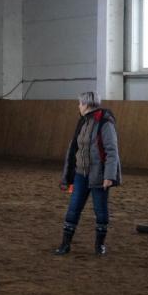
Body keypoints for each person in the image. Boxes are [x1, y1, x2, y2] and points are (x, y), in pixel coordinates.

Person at [54, 91, 121, 256]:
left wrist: (109, 176)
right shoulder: (82, 123)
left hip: (98, 174)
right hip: (80, 173)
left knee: (100, 211)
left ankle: (99, 245)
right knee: (73, 208)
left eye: (80, 103)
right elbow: (75, 148)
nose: (79, 106)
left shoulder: (105, 123)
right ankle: (65, 244)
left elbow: (111, 151)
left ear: (86, 104)